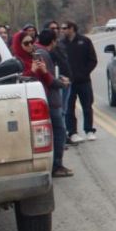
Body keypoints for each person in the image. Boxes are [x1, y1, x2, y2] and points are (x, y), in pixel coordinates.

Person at [32, 31, 73, 177]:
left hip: (44, 98)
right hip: (51, 99)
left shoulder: (36, 52)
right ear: (53, 42)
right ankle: (56, 165)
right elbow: (48, 78)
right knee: (59, 131)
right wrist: (62, 83)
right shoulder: (44, 55)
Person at [60, 21, 98, 142]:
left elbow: (93, 60)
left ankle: (89, 130)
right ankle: (72, 132)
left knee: (87, 106)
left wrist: (84, 73)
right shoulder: (61, 44)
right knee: (69, 108)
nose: (62, 30)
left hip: (83, 81)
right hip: (68, 83)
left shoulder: (85, 41)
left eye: (64, 28)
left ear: (72, 29)